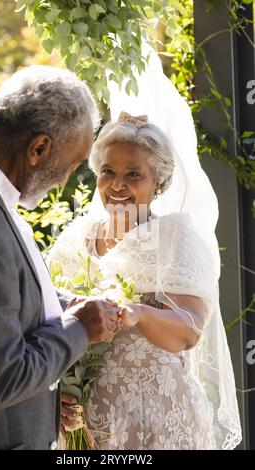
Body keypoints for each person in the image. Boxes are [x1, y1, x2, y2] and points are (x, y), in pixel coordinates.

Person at [48, 51, 242, 451]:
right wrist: (60, 397)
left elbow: (188, 331)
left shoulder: (176, 235)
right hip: (89, 429)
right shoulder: (75, 238)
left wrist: (136, 314)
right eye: (109, 172)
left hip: (160, 422)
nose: (118, 185)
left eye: (133, 174)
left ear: (159, 183)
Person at [0, 66, 121, 450]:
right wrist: (79, 328)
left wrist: (60, 303)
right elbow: (0, 380)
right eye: (72, 165)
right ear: (39, 148)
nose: (65, 181)